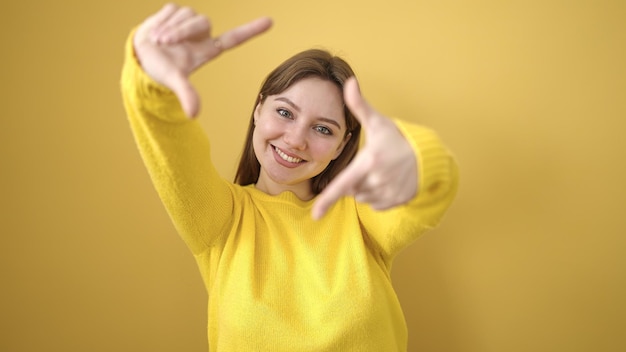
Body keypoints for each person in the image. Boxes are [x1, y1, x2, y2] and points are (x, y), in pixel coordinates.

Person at [121, 3, 459, 351]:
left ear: (342, 145)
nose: (296, 139)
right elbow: (171, 146)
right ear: (258, 109)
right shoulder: (221, 218)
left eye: (323, 129)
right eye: (285, 112)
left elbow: (429, 191)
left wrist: (418, 161)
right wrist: (150, 84)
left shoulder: (361, 218)